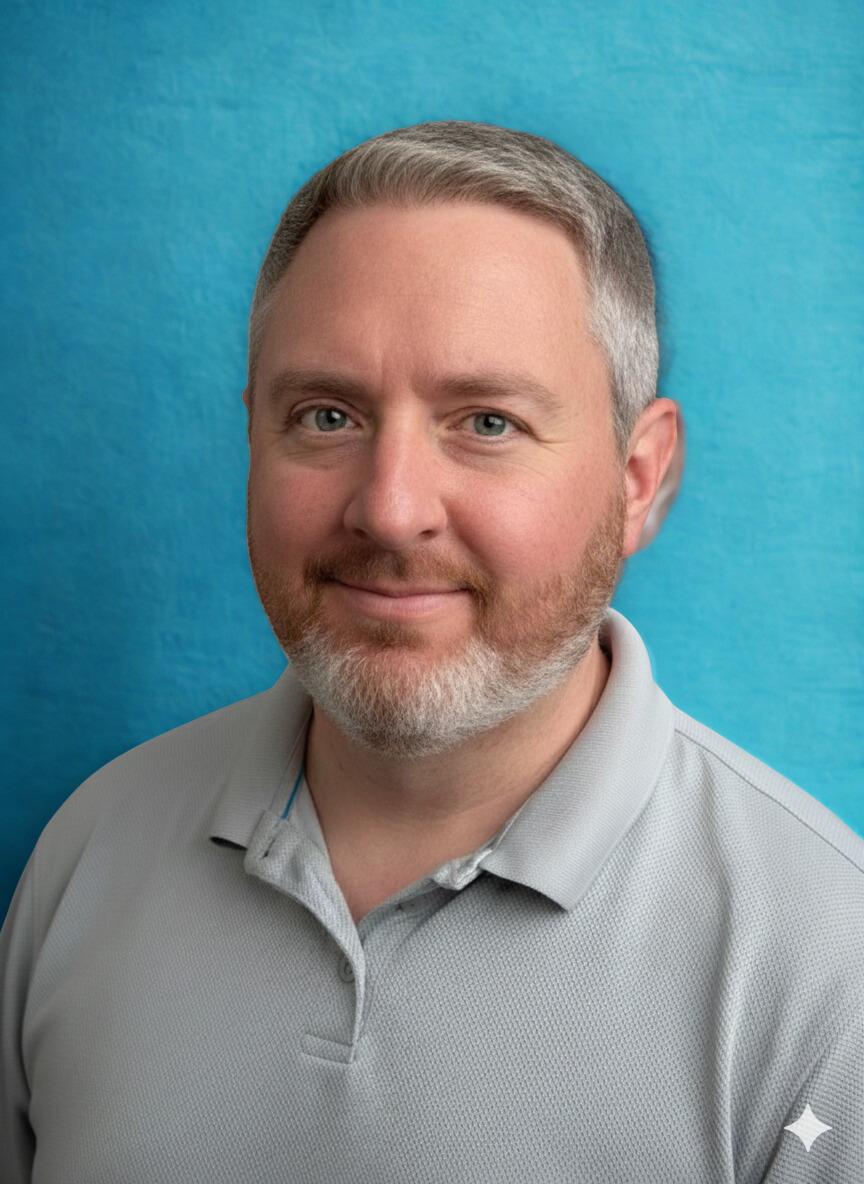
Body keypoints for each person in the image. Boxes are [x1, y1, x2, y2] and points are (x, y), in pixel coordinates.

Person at [1, 121, 861, 1184]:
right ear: (253, 434)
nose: (390, 508)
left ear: (639, 479)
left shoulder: (829, 967)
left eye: (486, 422)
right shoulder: (91, 849)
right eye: (326, 415)